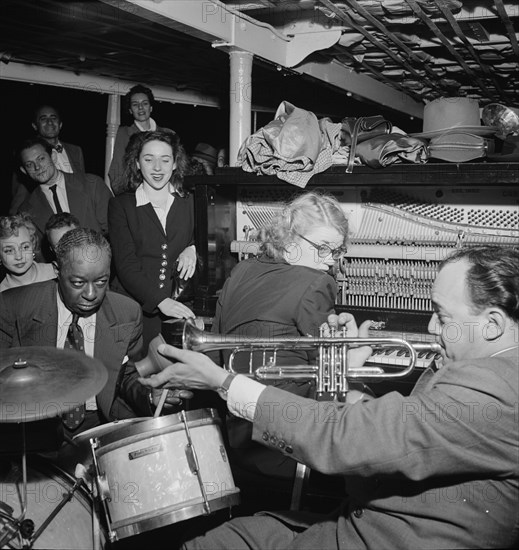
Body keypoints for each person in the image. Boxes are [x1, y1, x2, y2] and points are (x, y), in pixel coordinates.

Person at [140, 245, 519, 550]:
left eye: (442, 316)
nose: (431, 327)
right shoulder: (485, 372)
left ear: (492, 325)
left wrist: (224, 382)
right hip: (364, 521)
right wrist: (347, 379)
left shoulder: (496, 392)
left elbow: (349, 438)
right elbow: (403, 433)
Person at [211, 191, 369, 479]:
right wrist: (354, 357)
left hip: (239, 436)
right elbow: (329, 374)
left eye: (336, 251)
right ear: (290, 238)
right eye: (322, 248)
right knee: (374, 417)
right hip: (287, 443)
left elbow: (213, 351)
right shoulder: (316, 282)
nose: (330, 261)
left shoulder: (241, 270)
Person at [0, 228, 173, 437]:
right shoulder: (12, 307)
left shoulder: (126, 313)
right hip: (34, 429)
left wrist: (148, 395)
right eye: (78, 283)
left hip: (99, 424)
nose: (91, 294)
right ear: (57, 270)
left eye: (101, 282)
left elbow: (126, 376)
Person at [108, 130, 196, 349]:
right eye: (149, 159)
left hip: (179, 307)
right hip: (134, 309)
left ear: (175, 164)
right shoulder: (121, 206)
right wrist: (159, 301)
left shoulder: (191, 202)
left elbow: (211, 241)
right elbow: (126, 265)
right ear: (137, 163)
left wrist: (193, 247)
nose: (157, 168)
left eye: (165, 160)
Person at [16, 137, 111, 251]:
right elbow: (37, 252)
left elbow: (114, 231)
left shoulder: (92, 185)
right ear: (23, 170)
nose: (37, 167)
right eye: (29, 165)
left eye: (41, 159)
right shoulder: (26, 210)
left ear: (53, 157)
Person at [10, 104, 86, 214]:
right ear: (35, 126)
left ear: (60, 124)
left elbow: (82, 183)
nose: (49, 122)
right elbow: (20, 196)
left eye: (53, 118)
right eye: (43, 118)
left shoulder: (76, 150)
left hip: (78, 210)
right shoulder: (25, 155)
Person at [108, 84, 173, 195]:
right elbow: (116, 172)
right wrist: (128, 199)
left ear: (151, 107)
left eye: (145, 103)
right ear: (130, 110)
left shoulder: (168, 134)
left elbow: (177, 168)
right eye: (135, 104)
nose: (140, 108)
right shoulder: (124, 133)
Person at [0, 213, 55, 292]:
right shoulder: (2, 294)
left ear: (33, 245)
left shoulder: (56, 273)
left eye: (25, 247)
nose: (19, 257)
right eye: (9, 251)